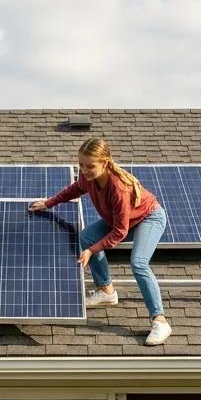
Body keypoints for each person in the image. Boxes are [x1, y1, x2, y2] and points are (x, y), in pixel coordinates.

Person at [28, 137, 172, 346]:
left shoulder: (118, 188)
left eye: (90, 166)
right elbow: (75, 189)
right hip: (120, 220)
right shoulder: (88, 178)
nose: (84, 170)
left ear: (105, 163)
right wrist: (49, 203)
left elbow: (119, 232)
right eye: (81, 165)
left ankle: (160, 321)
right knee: (85, 236)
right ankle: (106, 292)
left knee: (138, 263)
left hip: (148, 218)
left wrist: (90, 251)